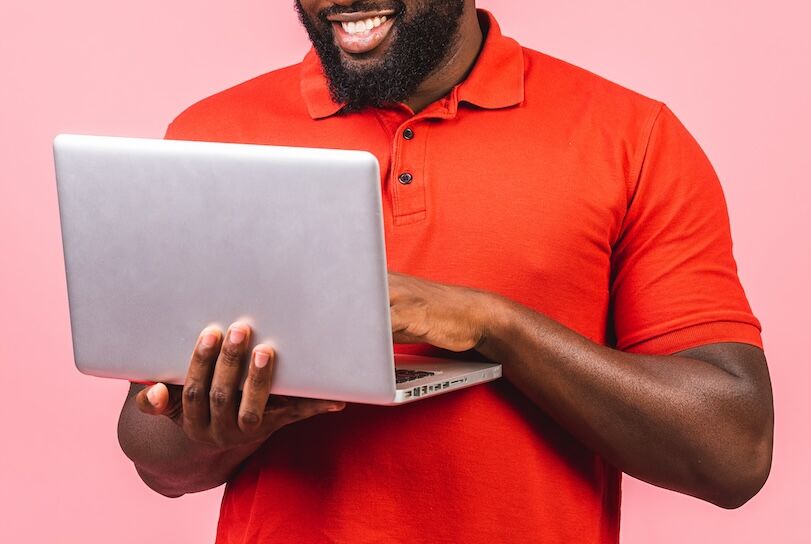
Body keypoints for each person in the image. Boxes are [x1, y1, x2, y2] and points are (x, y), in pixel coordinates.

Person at [117, 1, 774, 542]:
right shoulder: (211, 135)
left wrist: (493, 325)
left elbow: (731, 454)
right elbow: (154, 455)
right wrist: (220, 426)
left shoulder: (633, 138)